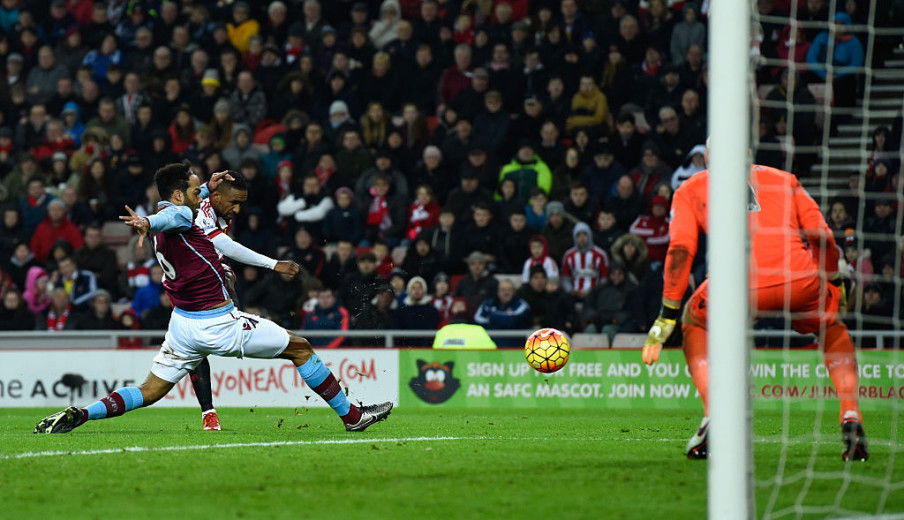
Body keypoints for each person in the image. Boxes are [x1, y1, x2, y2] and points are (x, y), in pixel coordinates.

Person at [35, 163, 392, 435]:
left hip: (182, 326)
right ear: (179, 196)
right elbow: (172, 214)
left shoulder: (180, 207)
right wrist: (147, 221)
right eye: (195, 191)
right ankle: (353, 417)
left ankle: (82, 413)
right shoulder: (179, 214)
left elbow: (179, 205)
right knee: (300, 348)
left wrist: (207, 186)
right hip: (217, 323)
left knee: (149, 390)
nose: (200, 196)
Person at [641, 147, 867, 461]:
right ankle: (851, 414)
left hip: (737, 284)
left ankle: (714, 413)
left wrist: (667, 313)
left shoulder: (690, 189)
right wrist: (833, 280)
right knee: (830, 327)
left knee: (694, 320)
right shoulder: (784, 179)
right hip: (797, 278)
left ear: (707, 159)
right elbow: (822, 236)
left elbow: (680, 251)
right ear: (748, 152)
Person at [474, 279, 530, 347]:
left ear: (514, 292)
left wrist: (491, 316)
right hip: (491, 345)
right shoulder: (487, 304)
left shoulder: (521, 305)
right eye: (503, 290)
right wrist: (506, 315)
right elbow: (477, 319)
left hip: (515, 346)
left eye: (509, 290)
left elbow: (512, 321)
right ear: (497, 292)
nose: (506, 292)